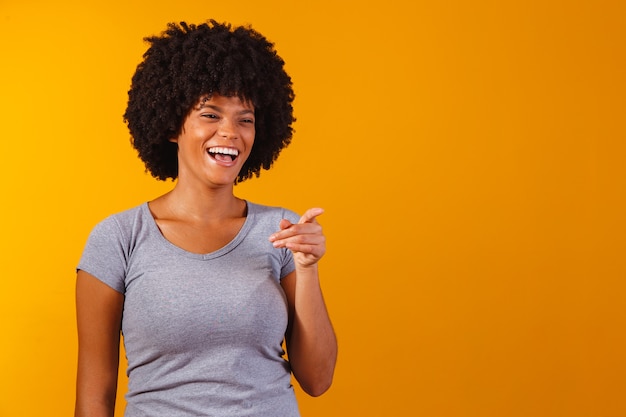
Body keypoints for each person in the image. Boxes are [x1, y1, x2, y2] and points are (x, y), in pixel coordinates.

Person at [75, 20, 337, 417]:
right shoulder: (119, 239)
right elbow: (95, 394)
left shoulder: (281, 232)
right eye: (210, 115)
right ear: (171, 125)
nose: (230, 132)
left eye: (244, 118)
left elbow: (318, 380)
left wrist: (308, 269)